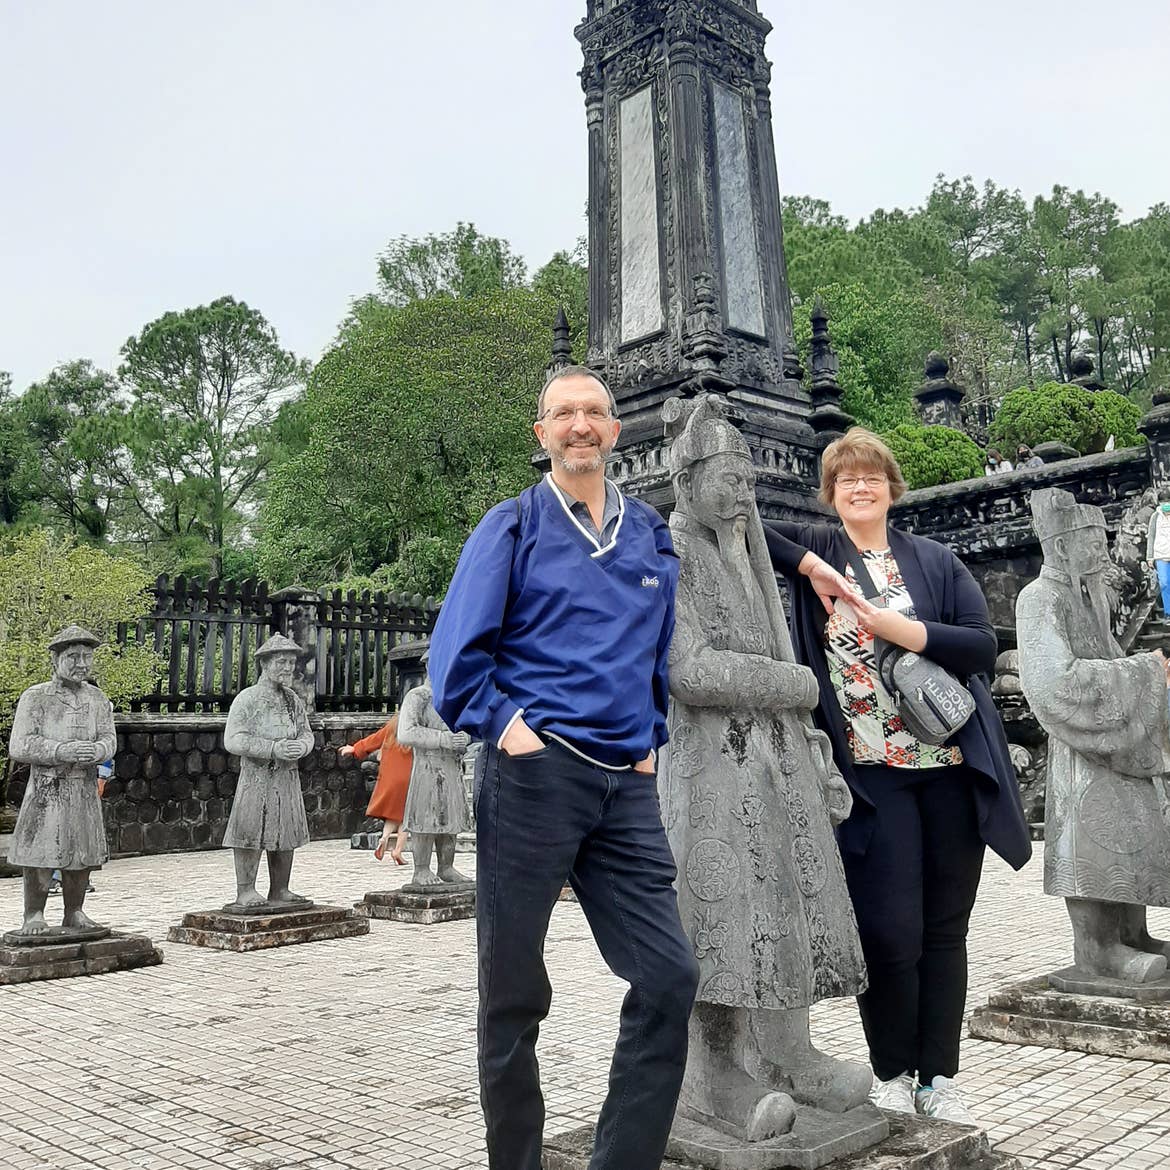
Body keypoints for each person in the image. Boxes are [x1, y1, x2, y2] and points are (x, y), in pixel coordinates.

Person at [428, 364, 698, 1170]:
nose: (580, 426)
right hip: (533, 775)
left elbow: (656, 650)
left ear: (616, 432)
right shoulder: (510, 526)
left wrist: (650, 739)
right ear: (541, 434)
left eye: (594, 413)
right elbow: (455, 662)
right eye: (563, 414)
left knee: (669, 977)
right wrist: (509, 731)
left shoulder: (650, 533)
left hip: (626, 784)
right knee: (513, 993)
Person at [764, 427, 1031, 1125]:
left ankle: (939, 1076)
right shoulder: (822, 551)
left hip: (947, 766)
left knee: (944, 930)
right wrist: (813, 569)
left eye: (871, 476)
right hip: (872, 776)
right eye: (846, 479)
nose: (860, 486)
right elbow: (737, 524)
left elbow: (980, 642)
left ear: (891, 487)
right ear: (830, 493)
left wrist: (900, 629)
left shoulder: (934, 561)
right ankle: (892, 1069)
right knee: (889, 931)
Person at [660, 394, 870, 1143]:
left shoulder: (745, 549)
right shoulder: (670, 550)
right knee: (721, 912)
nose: (745, 490)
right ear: (687, 480)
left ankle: (787, 1052)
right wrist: (800, 686)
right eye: (730, 476)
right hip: (711, 765)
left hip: (775, 759)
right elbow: (688, 670)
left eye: (750, 478)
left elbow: (776, 651)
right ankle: (710, 1073)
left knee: (786, 901)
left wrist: (815, 747)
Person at [1020, 488, 1170, 983]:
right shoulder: (1039, 598)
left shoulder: (1095, 597)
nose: (1104, 551)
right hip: (1080, 752)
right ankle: (1096, 948)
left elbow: (1107, 655)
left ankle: (1131, 933)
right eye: (1092, 541)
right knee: (1090, 840)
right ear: (1061, 547)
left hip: (1119, 741)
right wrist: (1148, 671)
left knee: (1132, 831)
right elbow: (1052, 682)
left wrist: (1139, 678)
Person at [8, 625, 115, 935]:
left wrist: (96, 749)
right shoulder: (36, 697)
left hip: (82, 786)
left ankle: (75, 911)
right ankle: (34, 914)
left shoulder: (97, 698)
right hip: (47, 787)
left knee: (82, 851)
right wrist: (60, 750)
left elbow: (109, 738)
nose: (82, 663)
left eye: (87, 657)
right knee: (41, 851)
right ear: (55, 659)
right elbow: (20, 744)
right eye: (73, 656)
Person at [222, 633, 315, 908]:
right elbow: (233, 739)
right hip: (257, 777)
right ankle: (246, 890)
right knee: (250, 831)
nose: (287, 668)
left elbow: (306, 733)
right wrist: (272, 749)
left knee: (286, 831)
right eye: (282, 662)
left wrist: (302, 746)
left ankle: (280, 888)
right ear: (265, 663)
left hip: (286, 777)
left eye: (291, 663)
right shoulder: (247, 699)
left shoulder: (292, 700)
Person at [395, 672, 473, 888]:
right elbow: (406, 732)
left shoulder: (455, 696)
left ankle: (446, 866)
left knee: (451, 817)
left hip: (451, 764)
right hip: (427, 764)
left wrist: (464, 737)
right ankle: (421, 869)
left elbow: (468, 725)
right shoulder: (418, 696)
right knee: (425, 816)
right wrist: (442, 739)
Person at [340, 715, 411, 862]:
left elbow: (374, 739)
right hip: (408, 776)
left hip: (389, 776)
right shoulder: (416, 730)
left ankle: (384, 839)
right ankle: (397, 850)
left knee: (393, 815)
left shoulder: (391, 727)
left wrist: (354, 748)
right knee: (407, 816)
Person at [1146, 496, 1170, 619]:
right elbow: (1151, 536)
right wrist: (1150, 557)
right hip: (1160, 555)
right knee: (1164, 583)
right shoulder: (1155, 517)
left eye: (1168, 501)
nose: (1166, 504)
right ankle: (1168, 613)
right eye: (1164, 502)